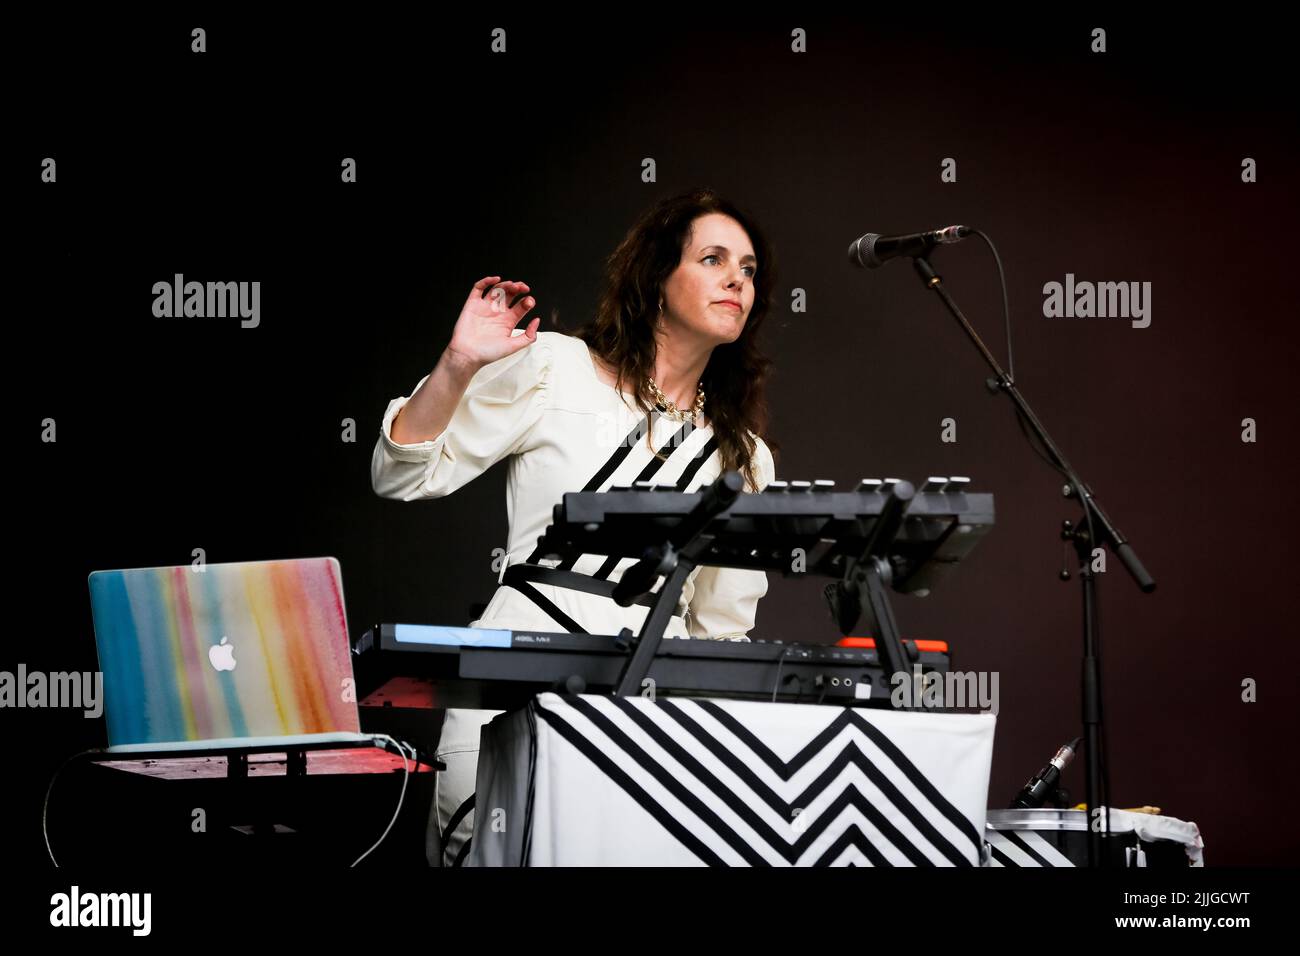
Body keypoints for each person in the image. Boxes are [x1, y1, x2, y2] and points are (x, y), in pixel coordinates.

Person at [371, 188, 780, 865]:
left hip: (657, 708)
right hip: (513, 683)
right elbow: (403, 473)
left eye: (749, 268)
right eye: (713, 259)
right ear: (656, 277)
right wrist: (458, 364)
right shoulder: (555, 370)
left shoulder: (743, 457)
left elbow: (719, 629)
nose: (737, 277)